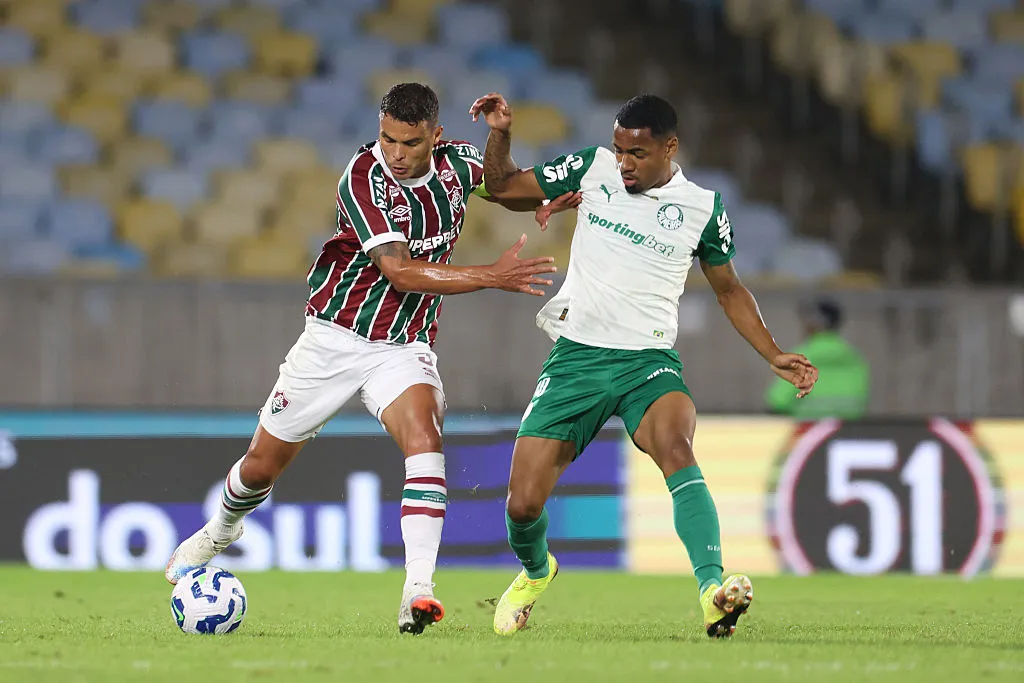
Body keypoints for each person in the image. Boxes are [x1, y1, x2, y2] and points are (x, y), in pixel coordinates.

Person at [164, 83, 580, 635]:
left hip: (403, 346)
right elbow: (401, 272)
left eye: (409, 143)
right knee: (261, 467)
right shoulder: (364, 178)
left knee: (426, 439)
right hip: (333, 338)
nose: (395, 152)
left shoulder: (456, 164)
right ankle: (220, 531)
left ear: (435, 135)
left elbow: (506, 189)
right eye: (387, 138)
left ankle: (418, 592)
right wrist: (491, 276)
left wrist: (503, 139)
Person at [469, 92, 819, 638]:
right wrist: (501, 134)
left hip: (648, 363)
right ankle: (537, 572)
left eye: (637, 153)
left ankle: (711, 591)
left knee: (677, 448)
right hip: (577, 359)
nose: (624, 163)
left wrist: (772, 352)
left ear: (669, 147)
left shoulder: (703, 208)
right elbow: (504, 188)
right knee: (521, 506)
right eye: (619, 150)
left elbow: (729, 289)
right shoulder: (593, 168)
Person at [765, 298, 869, 419]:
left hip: (808, 431)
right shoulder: (855, 359)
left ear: (813, 324)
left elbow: (777, 401)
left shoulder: (800, 358)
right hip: (848, 432)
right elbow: (862, 402)